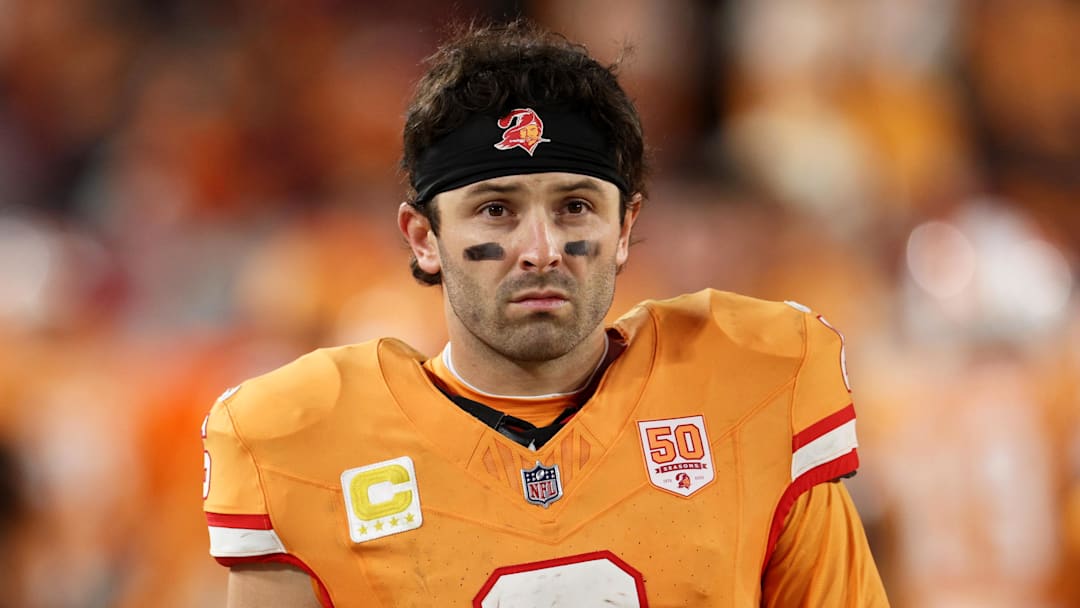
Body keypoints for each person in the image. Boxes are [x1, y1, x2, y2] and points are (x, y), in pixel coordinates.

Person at [201, 20, 889, 607]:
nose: (541, 250)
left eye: (575, 207)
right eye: (496, 208)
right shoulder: (306, 444)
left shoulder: (749, 388)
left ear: (626, 227)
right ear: (423, 237)